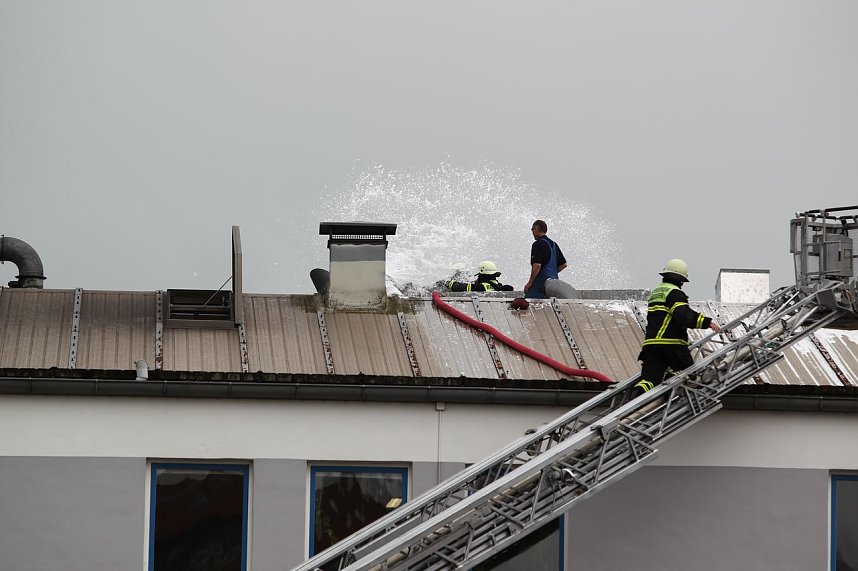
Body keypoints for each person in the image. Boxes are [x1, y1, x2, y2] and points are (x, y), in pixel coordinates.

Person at [631, 258, 721, 398]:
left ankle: (636, 394)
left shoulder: (656, 293)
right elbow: (683, 315)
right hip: (672, 344)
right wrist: (706, 322)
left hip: (651, 345)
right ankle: (670, 387)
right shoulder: (675, 293)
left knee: (649, 380)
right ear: (681, 280)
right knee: (688, 372)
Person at [523, 220, 567, 298]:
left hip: (541, 285)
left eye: (532, 229)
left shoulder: (538, 244)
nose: (532, 232)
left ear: (536, 229)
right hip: (554, 284)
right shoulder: (554, 244)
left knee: (529, 301)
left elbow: (537, 266)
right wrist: (551, 272)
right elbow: (563, 264)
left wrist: (529, 283)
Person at [446, 261, 514, 292]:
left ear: (482, 275)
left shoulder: (481, 287)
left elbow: (458, 287)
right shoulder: (498, 286)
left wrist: (446, 282)